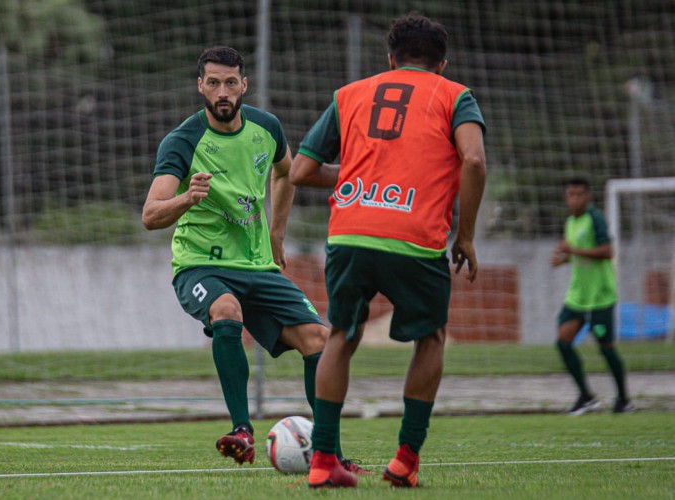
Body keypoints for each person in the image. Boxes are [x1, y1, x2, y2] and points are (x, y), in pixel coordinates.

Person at [141, 46, 364, 473]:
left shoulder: (267, 127)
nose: (222, 91)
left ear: (244, 85)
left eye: (230, 82)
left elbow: (286, 172)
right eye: (213, 83)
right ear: (200, 86)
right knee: (227, 310)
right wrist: (188, 197)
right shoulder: (183, 141)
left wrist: (277, 233)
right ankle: (241, 430)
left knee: (319, 339)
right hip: (200, 265)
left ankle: (327, 453)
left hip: (258, 265)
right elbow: (151, 214)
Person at [290, 14, 486, 488]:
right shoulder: (454, 95)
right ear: (442, 63)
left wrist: (364, 179)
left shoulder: (349, 94)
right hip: (414, 238)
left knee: (341, 336)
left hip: (350, 232)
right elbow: (474, 160)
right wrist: (466, 236)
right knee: (432, 338)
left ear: (389, 57)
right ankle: (404, 460)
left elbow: (299, 171)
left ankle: (322, 463)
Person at [551, 177, 633, 415]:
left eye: (579, 194)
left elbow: (607, 251)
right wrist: (562, 259)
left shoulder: (594, 218)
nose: (574, 199)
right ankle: (586, 396)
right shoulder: (570, 223)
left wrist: (572, 250)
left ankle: (624, 400)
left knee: (605, 347)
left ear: (587, 197)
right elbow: (576, 254)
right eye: (570, 194)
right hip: (578, 296)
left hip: (600, 296)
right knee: (562, 342)